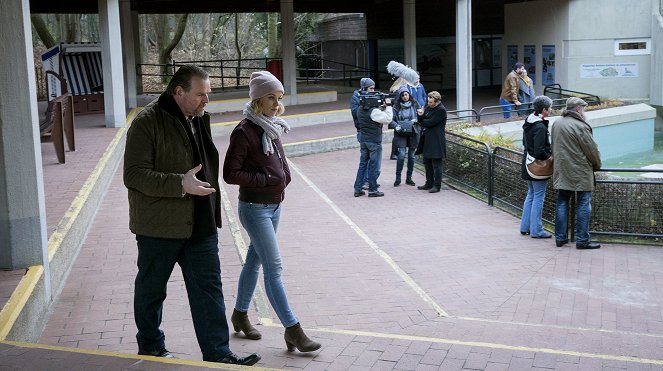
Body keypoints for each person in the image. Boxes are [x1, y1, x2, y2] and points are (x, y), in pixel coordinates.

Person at [123, 65, 261, 366]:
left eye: (207, 94)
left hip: (201, 225)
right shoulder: (147, 122)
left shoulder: (198, 118)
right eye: (200, 94)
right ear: (179, 92)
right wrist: (179, 184)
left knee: (209, 291)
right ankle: (151, 347)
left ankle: (218, 353)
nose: (206, 100)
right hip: (158, 227)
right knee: (151, 291)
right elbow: (133, 175)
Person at [223, 71, 322, 353]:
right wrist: (267, 180)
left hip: (274, 206)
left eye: (279, 98)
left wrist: (284, 177)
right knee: (273, 269)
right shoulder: (244, 130)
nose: (276, 104)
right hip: (254, 208)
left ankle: (240, 315)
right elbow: (230, 173)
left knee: (254, 262)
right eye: (271, 98)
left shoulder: (271, 125)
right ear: (257, 99)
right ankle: (293, 330)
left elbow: (279, 161)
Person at [551, 97, 602, 249]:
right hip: (580, 171)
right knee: (583, 203)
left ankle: (560, 238)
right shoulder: (581, 126)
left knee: (562, 202)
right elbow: (591, 151)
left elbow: (554, 146)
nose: (584, 111)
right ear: (579, 109)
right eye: (583, 108)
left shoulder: (557, 123)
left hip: (562, 169)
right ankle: (582, 240)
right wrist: (597, 165)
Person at [519, 95, 553, 239]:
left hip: (527, 163)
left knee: (531, 194)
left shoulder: (529, 121)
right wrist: (549, 155)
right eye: (550, 108)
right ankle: (537, 230)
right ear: (544, 110)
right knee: (538, 196)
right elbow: (540, 150)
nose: (551, 110)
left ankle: (525, 227)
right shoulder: (539, 126)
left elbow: (525, 143)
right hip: (537, 167)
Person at [353, 89, 394, 197]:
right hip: (374, 141)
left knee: (363, 164)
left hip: (364, 140)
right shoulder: (374, 112)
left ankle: (357, 189)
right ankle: (373, 189)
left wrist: (382, 108)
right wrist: (389, 106)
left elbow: (374, 113)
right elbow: (388, 119)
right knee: (374, 166)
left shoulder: (360, 109)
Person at [389, 86, 421, 187]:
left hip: (413, 132)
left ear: (409, 94)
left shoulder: (415, 104)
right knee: (401, 155)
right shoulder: (396, 106)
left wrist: (417, 119)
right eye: (402, 95)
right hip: (401, 133)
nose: (404, 97)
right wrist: (396, 126)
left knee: (411, 156)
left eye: (406, 94)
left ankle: (409, 178)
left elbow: (421, 115)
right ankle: (398, 178)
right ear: (400, 96)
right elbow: (391, 119)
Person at [415, 91, 447, 193]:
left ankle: (437, 186)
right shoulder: (429, 107)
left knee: (437, 164)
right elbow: (424, 119)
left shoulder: (441, 110)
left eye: (430, 102)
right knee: (427, 162)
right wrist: (420, 116)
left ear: (436, 102)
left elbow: (430, 122)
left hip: (436, 140)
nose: (428, 103)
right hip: (427, 139)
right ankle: (429, 183)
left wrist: (421, 121)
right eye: (428, 101)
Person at [350, 77, 375, 188]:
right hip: (362, 131)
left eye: (373, 88)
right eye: (370, 88)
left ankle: (369, 180)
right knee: (365, 159)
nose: (373, 91)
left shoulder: (371, 96)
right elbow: (356, 113)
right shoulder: (355, 98)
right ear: (364, 88)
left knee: (370, 159)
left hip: (372, 130)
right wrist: (367, 104)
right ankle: (364, 182)